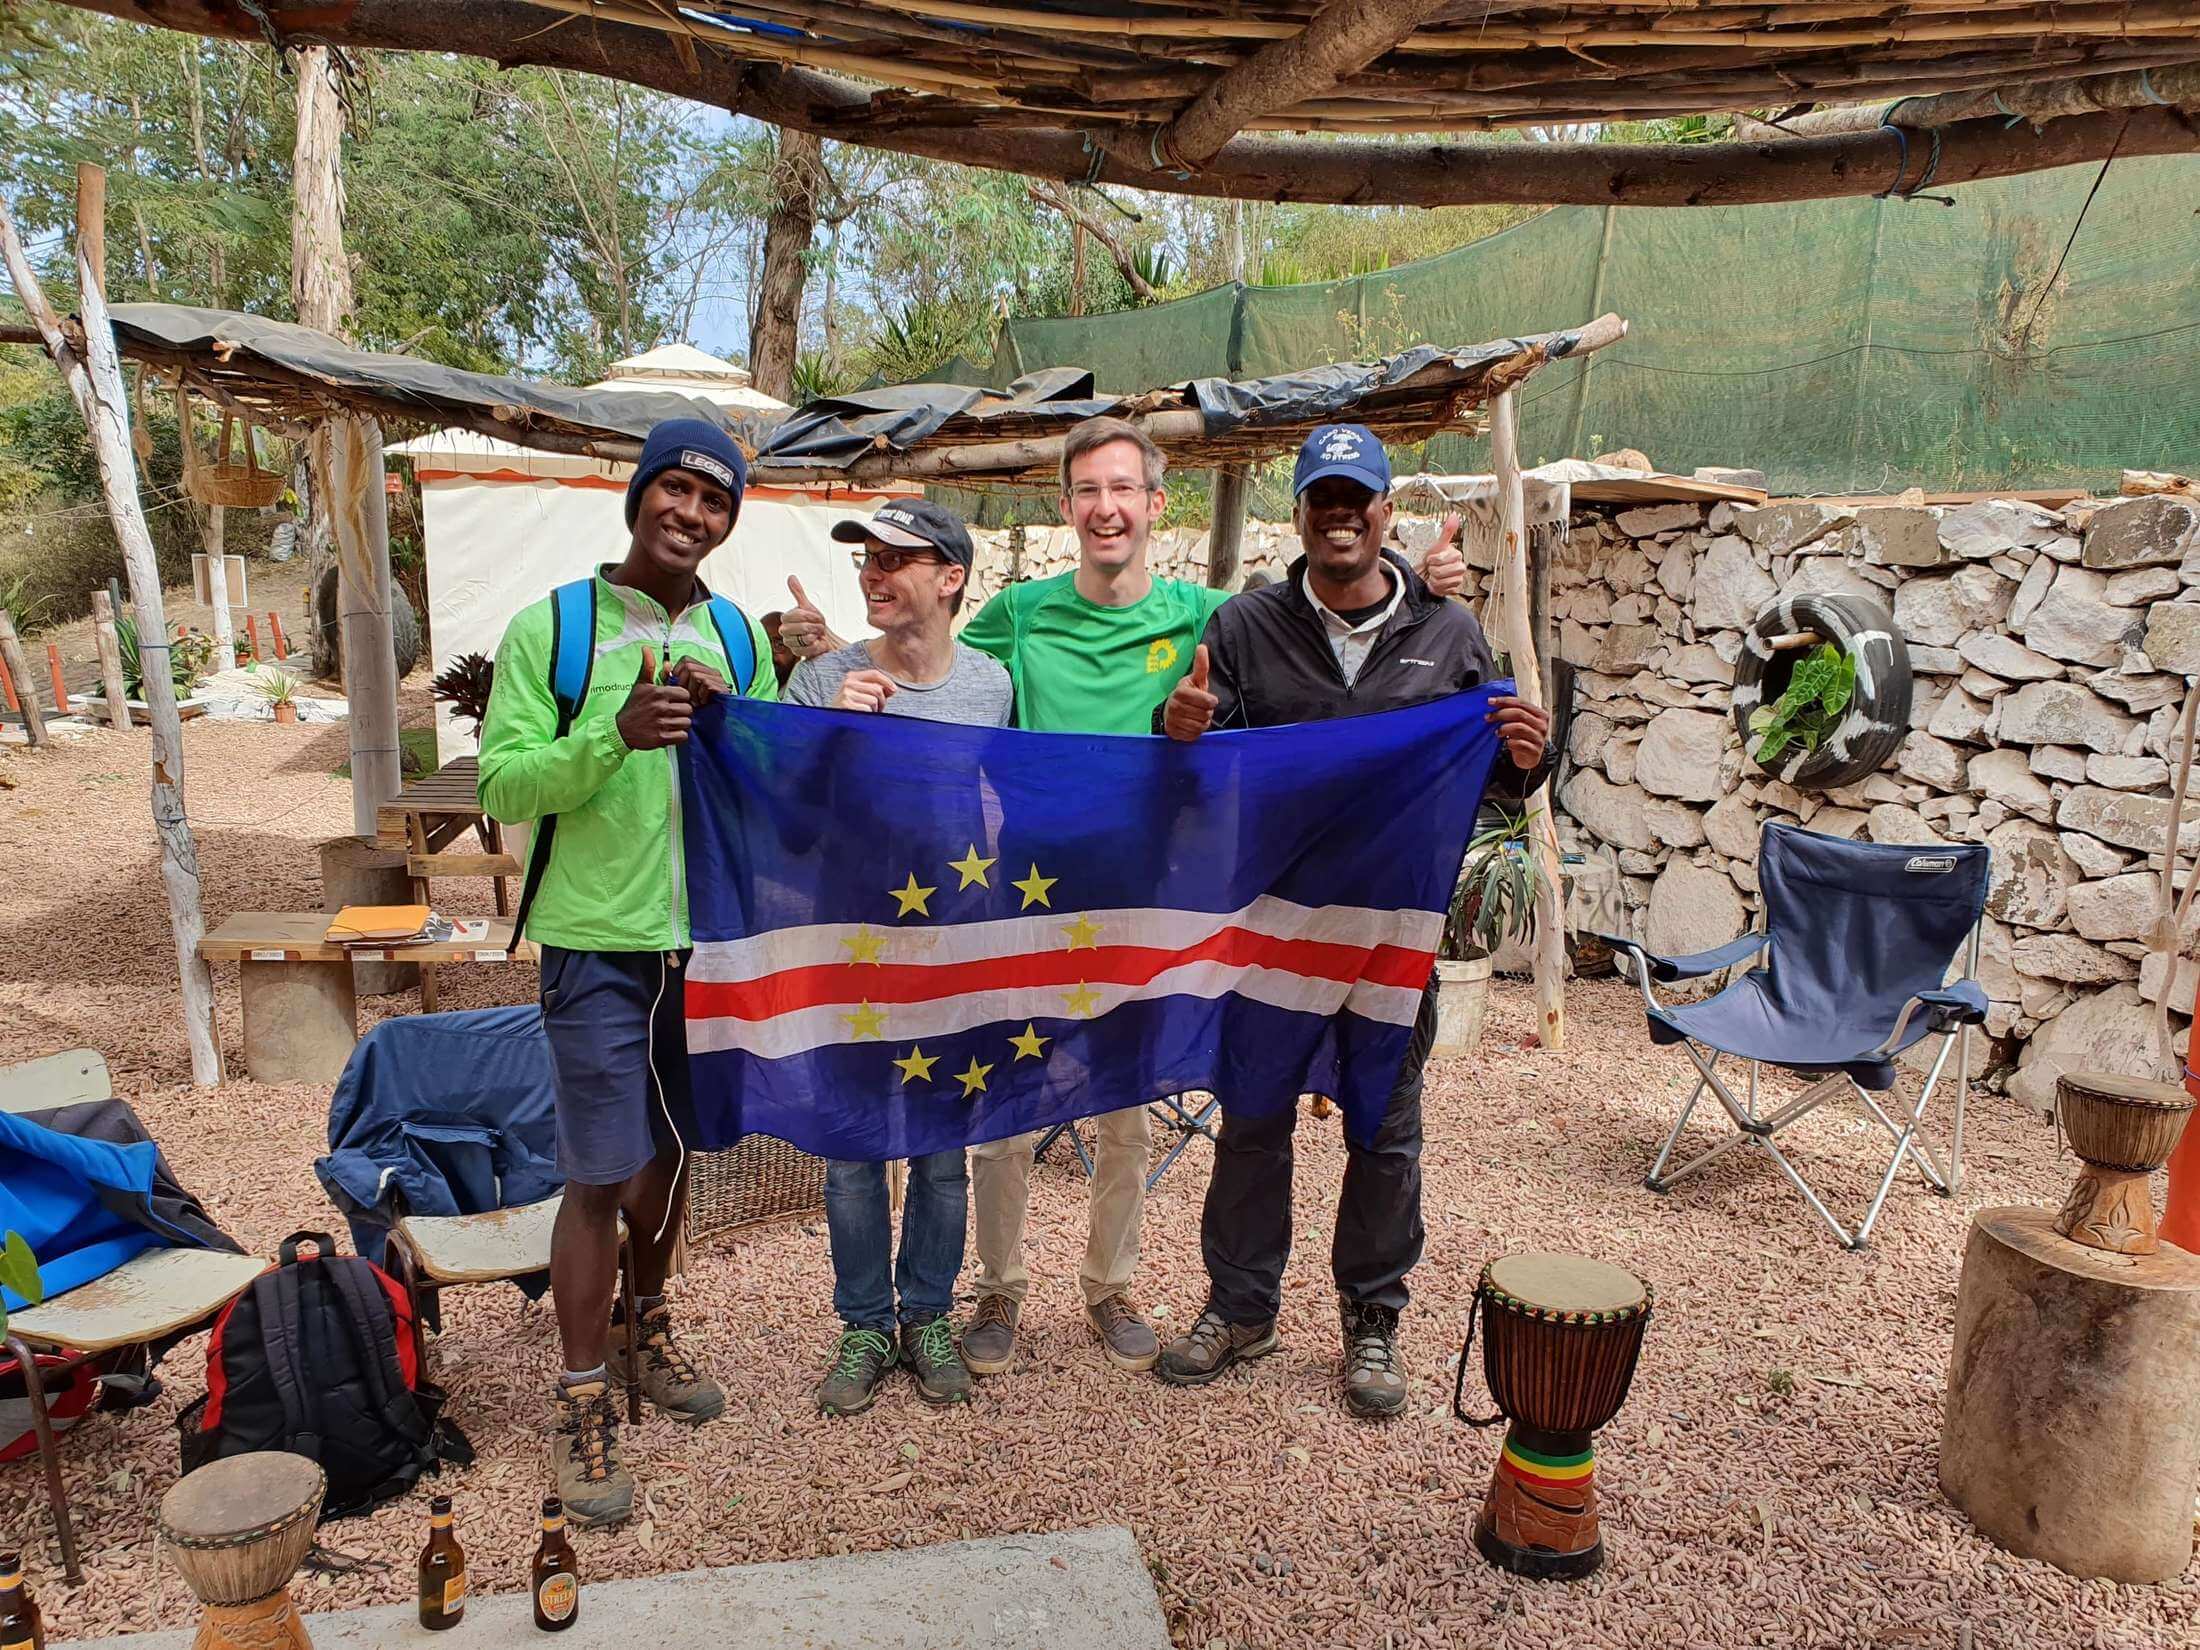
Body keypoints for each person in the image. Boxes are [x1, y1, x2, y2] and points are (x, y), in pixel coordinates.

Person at [773, 417, 1475, 1382]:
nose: (1106, 508)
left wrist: (1427, 595)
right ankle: (998, 1288)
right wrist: (828, 651)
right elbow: (926, 658)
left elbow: (1320, 609)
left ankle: (1110, 1286)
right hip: (1024, 898)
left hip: (1150, 902)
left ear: (1154, 505)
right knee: (1002, 1107)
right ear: (1067, 508)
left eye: (1123, 490)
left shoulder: (1210, 613)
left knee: (1128, 1113)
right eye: (1087, 492)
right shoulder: (1016, 615)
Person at [1153, 422, 1553, 1419]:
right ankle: (1241, 1307)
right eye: (1322, 497)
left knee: (1384, 1134)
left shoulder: (1448, 635)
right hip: (1272, 926)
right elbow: (1193, 780)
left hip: (1386, 937)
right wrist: (1178, 731)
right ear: (1299, 514)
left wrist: (1525, 754)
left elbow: (1500, 787)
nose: (1340, 513)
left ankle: (1372, 1320)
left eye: (1357, 497)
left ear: (1384, 512)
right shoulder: (1246, 625)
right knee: (1250, 1128)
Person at [478, 417, 777, 1525]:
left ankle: (649, 1327)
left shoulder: (737, 637)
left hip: (705, 941)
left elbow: (777, 777)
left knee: (677, 1150)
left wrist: (748, 717)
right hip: (596, 942)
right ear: (638, 494)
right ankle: (580, 1398)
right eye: (677, 491)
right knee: (599, 1172)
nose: (690, 515)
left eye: (714, 503)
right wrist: (611, 734)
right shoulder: (552, 628)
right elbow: (501, 786)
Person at [783, 500, 1012, 1415]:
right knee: (850, 1153)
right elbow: (784, 821)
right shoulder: (821, 679)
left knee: (943, 1155)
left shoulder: (991, 685)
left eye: (895, 559)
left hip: (951, 952)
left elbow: (1033, 795)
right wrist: (832, 734)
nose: (873, 574)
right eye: (866, 561)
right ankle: (864, 1326)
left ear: (950, 577)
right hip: (848, 947)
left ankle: (928, 1317)